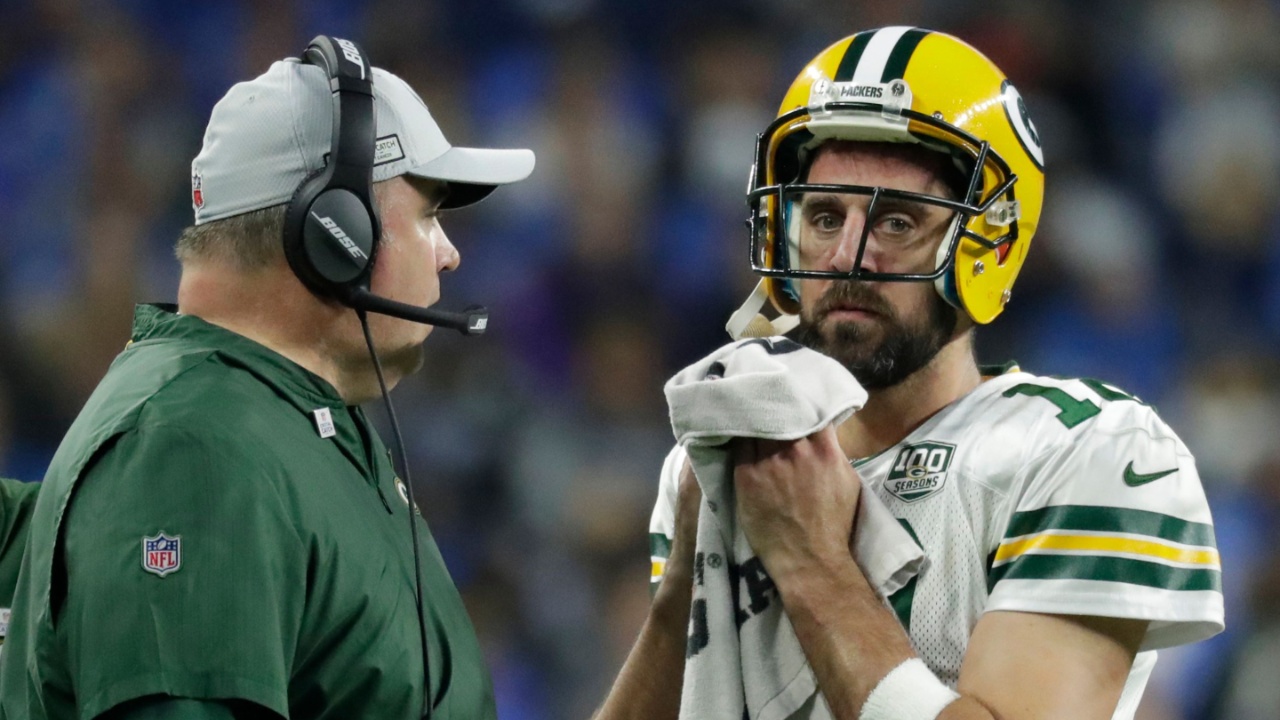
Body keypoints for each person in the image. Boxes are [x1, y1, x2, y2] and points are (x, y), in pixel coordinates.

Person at [597, 27, 1223, 720]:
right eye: (826, 215)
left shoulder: (1089, 447)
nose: (846, 256)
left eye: (896, 222)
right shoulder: (721, 457)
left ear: (990, 241)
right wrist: (684, 587)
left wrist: (810, 564)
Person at [0, 36, 533, 720]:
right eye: (428, 213)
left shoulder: (279, 423)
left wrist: (673, 627)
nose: (450, 254)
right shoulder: (196, 449)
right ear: (336, 233)